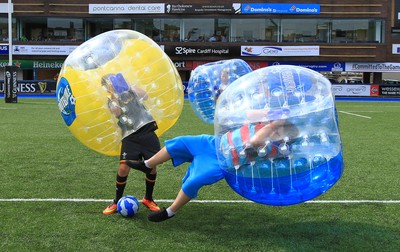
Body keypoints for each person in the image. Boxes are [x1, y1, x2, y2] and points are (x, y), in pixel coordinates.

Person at [126, 134, 224, 222]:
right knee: (179, 142)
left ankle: (170, 212)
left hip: (224, 160)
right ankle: (147, 165)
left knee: (194, 180)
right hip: (213, 143)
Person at [102, 73, 161, 215]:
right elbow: (116, 112)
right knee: (123, 167)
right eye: (107, 83)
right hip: (129, 135)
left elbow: (145, 96)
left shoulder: (130, 90)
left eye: (112, 81)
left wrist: (128, 86)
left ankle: (148, 198)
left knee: (151, 165)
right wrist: (114, 95)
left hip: (147, 130)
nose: (111, 84)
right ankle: (116, 201)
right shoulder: (110, 99)